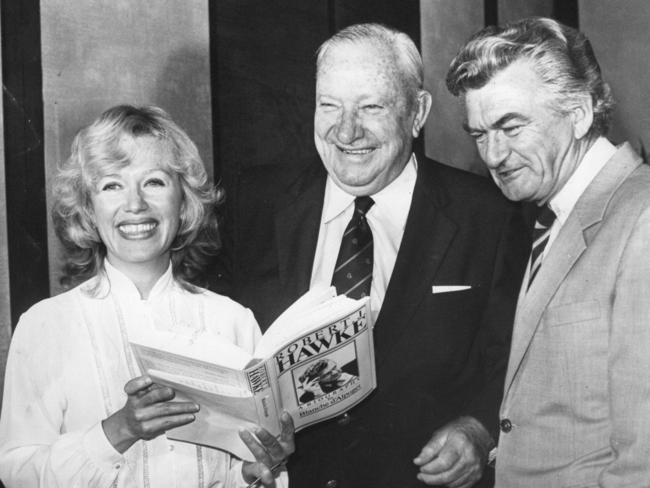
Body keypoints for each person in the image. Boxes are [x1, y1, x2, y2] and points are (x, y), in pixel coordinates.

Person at [220, 23, 529, 487]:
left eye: (371, 107)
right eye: (330, 105)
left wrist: (479, 429)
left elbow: (516, 355)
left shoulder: (490, 216)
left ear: (417, 112)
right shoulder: (254, 206)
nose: (346, 130)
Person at [0, 105, 294, 488]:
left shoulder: (233, 320)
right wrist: (117, 432)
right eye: (111, 185)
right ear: (88, 209)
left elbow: (242, 470)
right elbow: (16, 471)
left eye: (154, 182)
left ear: (183, 200)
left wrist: (256, 475)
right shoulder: (45, 325)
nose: (135, 204)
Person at [446, 16, 650, 487]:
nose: (493, 155)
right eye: (479, 134)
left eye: (511, 127)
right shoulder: (551, 215)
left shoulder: (639, 219)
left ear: (578, 113)